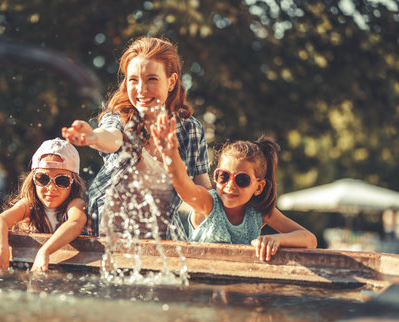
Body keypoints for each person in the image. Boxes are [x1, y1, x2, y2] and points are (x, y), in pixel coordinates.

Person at [62, 36, 211, 241]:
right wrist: (92, 137)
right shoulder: (119, 120)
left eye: (151, 79)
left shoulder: (190, 129)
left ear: (171, 81)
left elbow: (205, 192)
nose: (141, 89)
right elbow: (112, 139)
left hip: (164, 237)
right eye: (133, 79)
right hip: (107, 236)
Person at [151, 114, 317, 261]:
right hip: (201, 286)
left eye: (242, 180)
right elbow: (184, 187)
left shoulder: (259, 212)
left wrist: (277, 240)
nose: (230, 185)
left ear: (259, 187)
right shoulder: (208, 204)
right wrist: (171, 156)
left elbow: (310, 240)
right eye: (223, 176)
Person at [0, 138, 87, 271]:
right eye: (43, 179)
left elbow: (75, 223)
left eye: (61, 180)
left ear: (73, 183)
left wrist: (45, 251)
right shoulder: (29, 205)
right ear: (33, 180)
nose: (51, 188)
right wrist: (2, 250)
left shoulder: (75, 204)